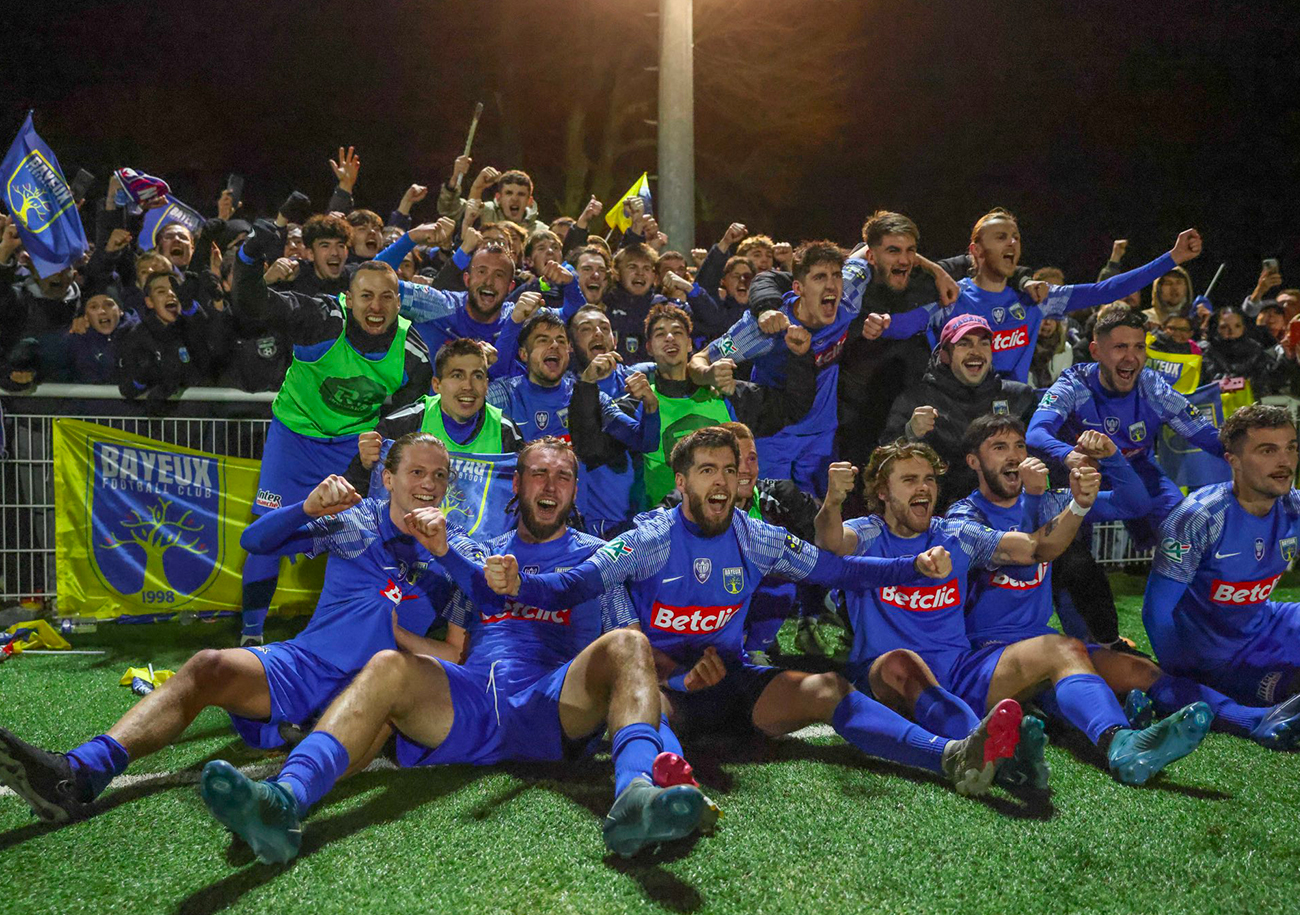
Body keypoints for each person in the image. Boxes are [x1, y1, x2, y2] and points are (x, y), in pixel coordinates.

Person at [198, 438, 708, 863]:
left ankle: (636, 797)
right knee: (386, 667)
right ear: (518, 483)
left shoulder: (598, 559)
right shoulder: (479, 550)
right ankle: (282, 801)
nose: (549, 486)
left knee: (627, 642)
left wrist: (673, 761)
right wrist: (399, 637)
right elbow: (456, 648)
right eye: (538, 475)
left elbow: (634, 671)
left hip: (554, 704)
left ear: (575, 491)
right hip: (474, 699)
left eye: (563, 478)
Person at [483, 427, 1031, 799]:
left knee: (826, 690)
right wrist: (520, 584)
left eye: (728, 470)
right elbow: (575, 584)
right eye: (705, 471)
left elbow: (836, 571)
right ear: (681, 483)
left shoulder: (758, 538)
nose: (720, 481)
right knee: (645, 711)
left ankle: (949, 756)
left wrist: (911, 568)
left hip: (732, 683)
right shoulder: (648, 538)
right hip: (668, 691)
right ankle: (661, 790)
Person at [0, 436, 472, 824]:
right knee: (208, 666)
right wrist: (306, 508)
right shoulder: (354, 521)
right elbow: (255, 541)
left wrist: (401, 637)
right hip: (305, 662)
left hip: (374, 683)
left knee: (380, 716)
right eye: (417, 472)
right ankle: (78, 773)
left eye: (439, 475)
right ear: (387, 479)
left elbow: (455, 653)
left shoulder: (454, 553)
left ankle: (275, 801)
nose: (429, 484)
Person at [815, 439, 1213, 786]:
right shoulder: (867, 532)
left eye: (929, 479)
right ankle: (988, 749)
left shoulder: (956, 534)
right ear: (882, 493)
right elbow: (831, 542)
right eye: (909, 480)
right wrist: (832, 502)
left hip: (960, 671)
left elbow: (1035, 548)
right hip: (886, 679)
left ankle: (1120, 742)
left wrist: (1078, 505)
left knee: (1064, 647)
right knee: (902, 663)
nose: (924, 488)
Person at [951, 415, 1300, 755]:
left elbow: (1134, 503)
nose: (1014, 455)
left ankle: (1255, 719)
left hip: (1038, 639)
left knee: (1140, 670)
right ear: (973, 461)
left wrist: (1112, 457)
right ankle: (1123, 741)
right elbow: (1030, 556)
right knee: (1066, 652)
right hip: (985, 654)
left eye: (1019, 445)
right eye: (999, 447)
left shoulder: (1049, 500)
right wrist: (1058, 502)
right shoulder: (962, 520)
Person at [231, 212, 433, 645]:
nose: (375, 307)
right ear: (349, 297)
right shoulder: (320, 319)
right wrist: (249, 256)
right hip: (294, 440)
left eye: (385, 298)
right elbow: (251, 307)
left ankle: (361, 631)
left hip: (353, 448)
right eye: (365, 297)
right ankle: (250, 634)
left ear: (400, 302)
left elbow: (396, 421)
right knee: (270, 530)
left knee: (366, 539)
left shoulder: (414, 355)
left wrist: (367, 464)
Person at [866, 215, 1204, 383]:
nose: (1012, 243)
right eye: (1001, 237)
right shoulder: (952, 296)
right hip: (957, 417)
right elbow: (909, 323)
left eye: (1015, 237)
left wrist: (1171, 258)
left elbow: (1107, 291)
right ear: (976, 250)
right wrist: (882, 324)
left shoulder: (1037, 298)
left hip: (1012, 420)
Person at [1144, 403, 1300, 709]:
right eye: (1268, 451)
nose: (1285, 461)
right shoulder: (1198, 516)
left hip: (1267, 623)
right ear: (1234, 461)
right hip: (1215, 658)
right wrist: (1183, 677)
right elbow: (1156, 612)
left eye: (1291, 448)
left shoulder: (1293, 505)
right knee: (1291, 696)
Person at [691, 240, 872, 495]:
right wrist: (709, 373)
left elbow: (872, 246)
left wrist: (936, 272)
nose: (832, 284)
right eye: (820, 277)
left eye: (836, 276)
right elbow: (698, 360)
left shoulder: (848, 299)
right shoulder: (762, 329)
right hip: (774, 438)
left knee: (819, 520)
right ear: (797, 287)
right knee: (772, 520)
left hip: (822, 437)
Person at [1027, 305, 1226, 535]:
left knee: (1184, 528)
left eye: (1139, 347)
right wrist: (1069, 455)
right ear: (1095, 351)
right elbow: (1035, 432)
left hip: (1139, 474)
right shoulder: (1074, 385)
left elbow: (1201, 432)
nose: (1131, 358)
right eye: (1120, 347)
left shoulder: (1152, 387)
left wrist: (1244, 450)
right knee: (1076, 566)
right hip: (1082, 477)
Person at [657, 421, 822, 661]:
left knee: (783, 572)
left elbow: (825, 545)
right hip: (699, 617)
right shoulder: (682, 503)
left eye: (752, 459)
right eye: (736, 462)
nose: (745, 469)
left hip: (763, 612)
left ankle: (756, 651)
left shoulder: (780, 497)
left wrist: (834, 502)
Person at [635, 302, 817, 506]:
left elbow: (792, 407)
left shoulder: (725, 392)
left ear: (689, 344)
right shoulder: (639, 401)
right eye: (660, 334)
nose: (670, 338)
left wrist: (800, 357)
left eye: (677, 332)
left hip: (734, 524)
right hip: (671, 525)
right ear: (648, 347)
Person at [880, 314, 1038, 511]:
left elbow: (1041, 459)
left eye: (983, 343)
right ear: (945, 354)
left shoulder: (1019, 397)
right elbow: (882, 464)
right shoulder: (916, 400)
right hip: (939, 518)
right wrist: (910, 433)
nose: (976, 352)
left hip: (1009, 512)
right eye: (964, 344)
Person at [344, 338, 526, 496]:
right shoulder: (401, 425)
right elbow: (355, 488)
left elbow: (520, 497)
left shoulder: (506, 432)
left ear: (486, 385)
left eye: (477, 376)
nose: (468, 386)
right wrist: (365, 464)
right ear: (437, 385)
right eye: (457, 375)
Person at [116, 271, 229, 399]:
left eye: (175, 289)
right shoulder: (137, 335)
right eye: (161, 291)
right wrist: (142, 378)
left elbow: (216, 344)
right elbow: (127, 389)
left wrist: (190, 306)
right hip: (163, 417)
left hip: (202, 414)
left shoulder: (194, 325)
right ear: (149, 302)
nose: (171, 294)